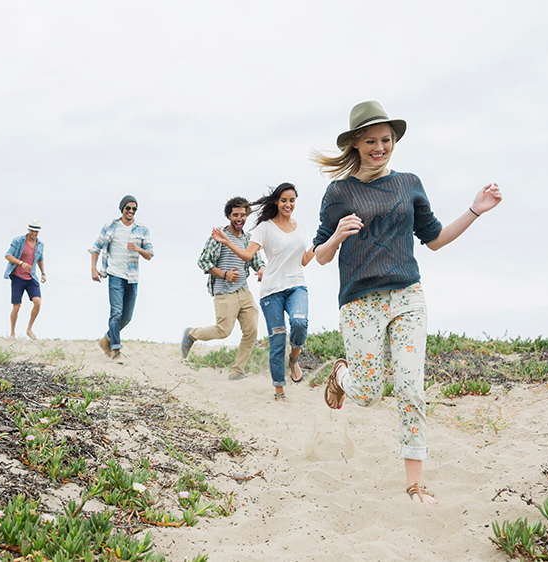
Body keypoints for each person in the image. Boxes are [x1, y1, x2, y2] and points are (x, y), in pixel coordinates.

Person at [311, 100, 502, 505]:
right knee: (368, 394)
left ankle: (415, 482)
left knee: (411, 388)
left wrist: (474, 210)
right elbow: (321, 255)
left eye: (386, 140)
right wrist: (337, 235)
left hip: (407, 296)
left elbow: (434, 239)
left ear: (393, 140)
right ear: (356, 145)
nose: (380, 147)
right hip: (360, 301)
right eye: (370, 141)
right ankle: (342, 376)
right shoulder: (339, 191)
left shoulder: (410, 183)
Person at [212, 183, 314, 401]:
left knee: (299, 323)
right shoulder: (264, 228)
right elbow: (248, 256)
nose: (288, 204)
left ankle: (294, 359)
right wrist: (226, 241)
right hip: (271, 291)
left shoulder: (302, 226)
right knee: (277, 339)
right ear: (276, 201)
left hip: (296, 285)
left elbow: (303, 260)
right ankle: (279, 391)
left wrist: (319, 244)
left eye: (292, 200)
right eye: (284, 200)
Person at [180, 197, 266, 380]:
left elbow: (256, 260)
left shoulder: (248, 239)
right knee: (223, 331)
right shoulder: (219, 236)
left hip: (244, 291)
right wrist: (224, 274)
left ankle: (237, 372)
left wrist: (261, 269)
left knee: (251, 332)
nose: (239, 218)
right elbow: (203, 261)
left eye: (243, 215)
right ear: (229, 215)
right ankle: (191, 334)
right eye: (235, 214)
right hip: (224, 292)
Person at [89, 195, 154, 360]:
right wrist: (93, 269)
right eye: (128, 208)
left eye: (134, 209)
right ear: (122, 209)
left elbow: (149, 254)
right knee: (116, 314)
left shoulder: (142, 229)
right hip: (114, 275)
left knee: (127, 317)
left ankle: (106, 339)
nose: (131, 211)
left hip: (132, 278)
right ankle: (116, 350)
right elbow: (96, 247)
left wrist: (138, 249)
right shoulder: (110, 227)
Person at [4, 219, 47, 340]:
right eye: (32, 230)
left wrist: (43, 273)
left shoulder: (40, 244)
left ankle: (29, 329)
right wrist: (21, 263)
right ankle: (12, 333)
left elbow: (40, 259)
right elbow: (8, 255)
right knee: (16, 307)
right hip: (17, 277)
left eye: (36, 231)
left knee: (38, 302)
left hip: (31, 277)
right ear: (28, 229)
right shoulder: (18, 241)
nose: (34, 233)